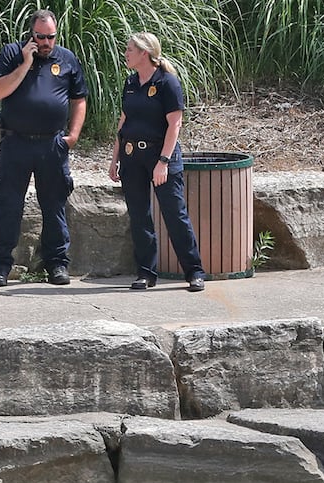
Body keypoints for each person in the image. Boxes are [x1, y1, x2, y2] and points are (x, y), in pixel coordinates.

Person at [0, 9, 88, 288]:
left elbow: (79, 99)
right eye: (40, 37)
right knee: (9, 204)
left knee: (54, 204)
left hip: (52, 144)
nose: (45, 42)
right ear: (31, 34)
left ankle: (57, 265)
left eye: (50, 37)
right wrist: (25, 62)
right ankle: (0, 267)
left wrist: (73, 136)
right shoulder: (12, 53)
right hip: (16, 142)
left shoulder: (66, 59)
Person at [109, 32, 206, 293]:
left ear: (144, 53)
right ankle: (146, 273)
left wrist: (163, 161)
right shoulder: (130, 82)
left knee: (175, 216)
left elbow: (175, 124)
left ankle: (194, 271)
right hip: (132, 157)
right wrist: (115, 157)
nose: (126, 53)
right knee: (139, 216)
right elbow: (123, 121)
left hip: (160, 156)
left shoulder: (167, 83)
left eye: (130, 50)